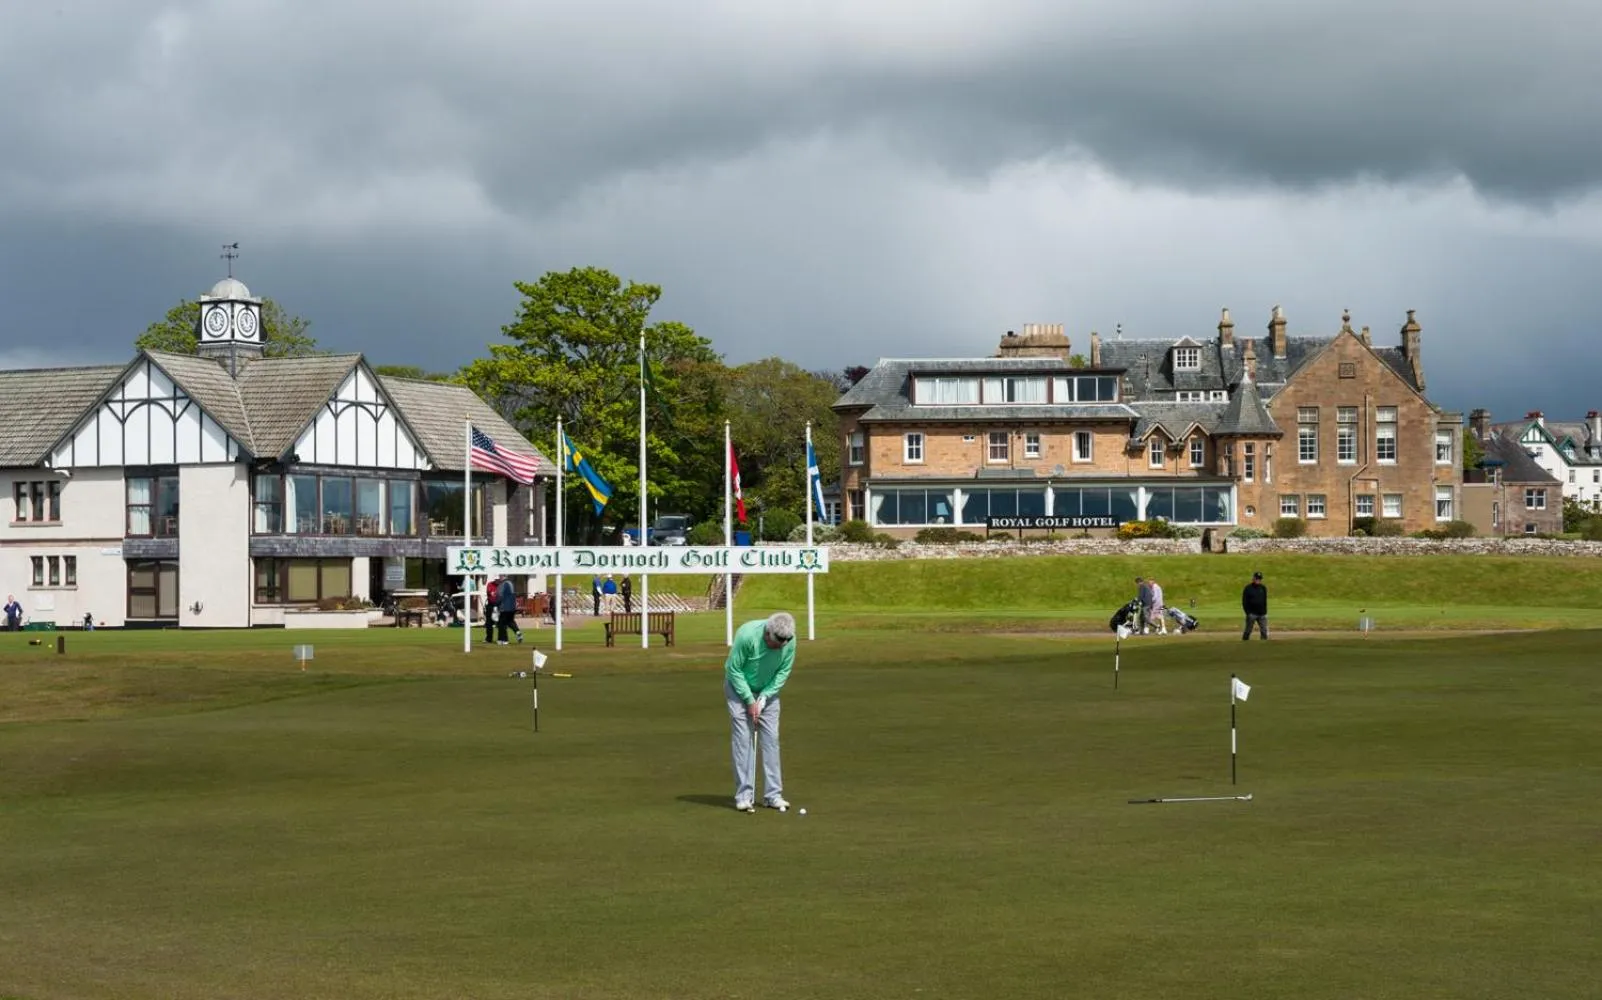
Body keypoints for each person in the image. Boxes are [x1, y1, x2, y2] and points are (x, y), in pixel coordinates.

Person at [723, 611, 797, 813]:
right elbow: (734, 669)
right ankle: (744, 796)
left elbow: (783, 672)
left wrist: (764, 697)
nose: (782, 645)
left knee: (771, 739)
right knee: (743, 738)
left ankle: (773, 795)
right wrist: (749, 699)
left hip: (768, 692)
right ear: (768, 633)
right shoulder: (747, 635)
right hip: (738, 689)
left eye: (786, 641)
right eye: (778, 640)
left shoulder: (789, 640)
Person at [1242, 571, 1269, 640]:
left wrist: (1265, 612)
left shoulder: (1263, 588)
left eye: (1259, 579)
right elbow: (1244, 602)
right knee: (1248, 630)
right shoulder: (1248, 588)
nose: (1258, 580)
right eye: (1256, 578)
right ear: (1253, 578)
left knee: (1264, 631)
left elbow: (1264, 600)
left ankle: (1263, 644)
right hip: (1252, 614)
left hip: (1262, 614)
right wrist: (1248, 613)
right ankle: (1245, 642)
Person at [496, 577, 524, 645]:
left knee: (502, 623)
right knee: (510, 621)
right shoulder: (511, 583)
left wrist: (496, 604)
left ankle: (504, 640)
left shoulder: (502, 585)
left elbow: (500, 596)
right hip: (512, 607)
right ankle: (517, 632)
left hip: (505, 607)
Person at [483, 578, 499, 643]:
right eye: (496, 580)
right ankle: (489, 638)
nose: (497, 581)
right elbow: (490, 592)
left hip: (499, 606)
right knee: (489, 623)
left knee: (501, 623)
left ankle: (501, 639)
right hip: (490, 605)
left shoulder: (502, 585)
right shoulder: (490, 584)